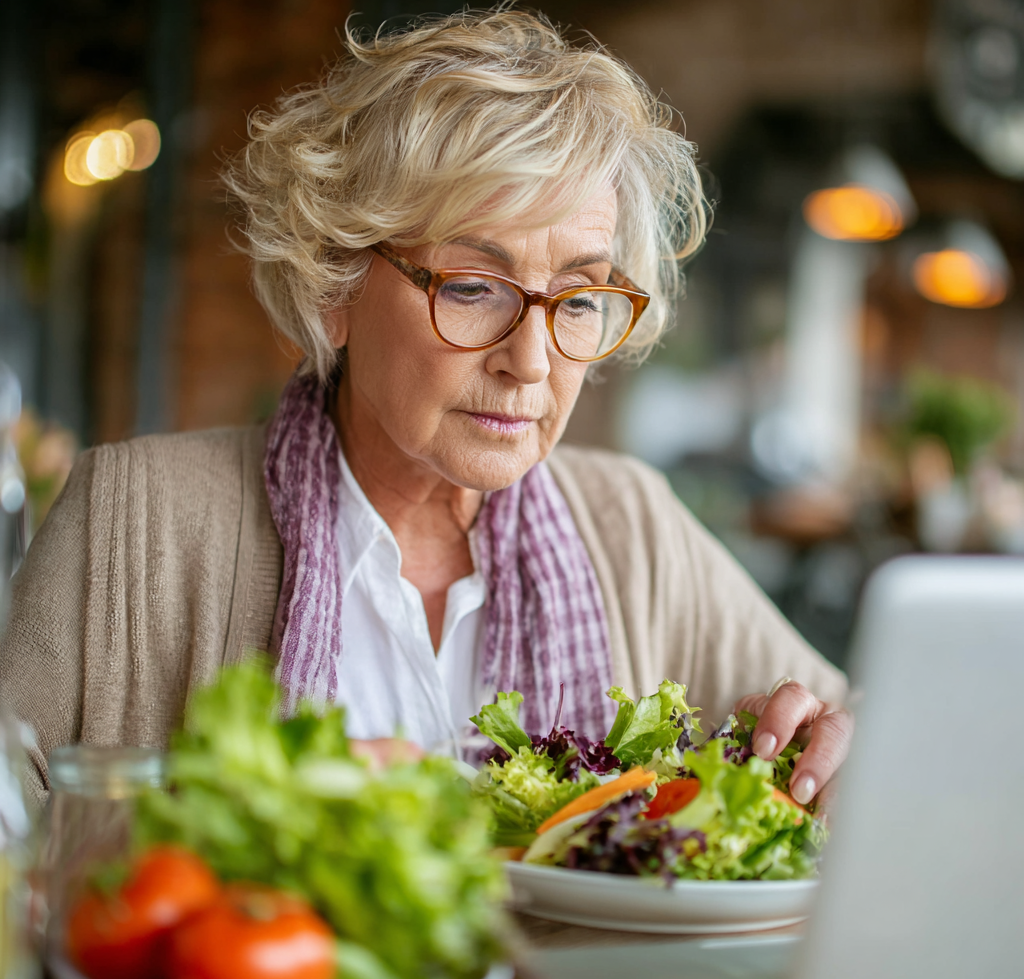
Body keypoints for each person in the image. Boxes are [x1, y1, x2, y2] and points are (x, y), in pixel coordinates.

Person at [0, 9, 851, 802]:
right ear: (334, 281)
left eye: (581, 298)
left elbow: (850, 729)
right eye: (475, 286)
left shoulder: (634, 526)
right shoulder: (129, 522)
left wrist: (818, 746)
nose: (530, 361)